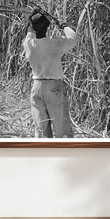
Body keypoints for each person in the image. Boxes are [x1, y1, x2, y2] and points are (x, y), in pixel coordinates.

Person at [23, 9, 77, 138]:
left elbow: (29, 33)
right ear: (48, 26)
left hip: (36, 87)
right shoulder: (55, 44)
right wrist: (63, 26)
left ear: (33, 28)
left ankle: (44, 154)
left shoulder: (29, 44)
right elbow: (73, 38)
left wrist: (31, 20)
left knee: (41, 129)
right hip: (54, 88)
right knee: (61, 128)